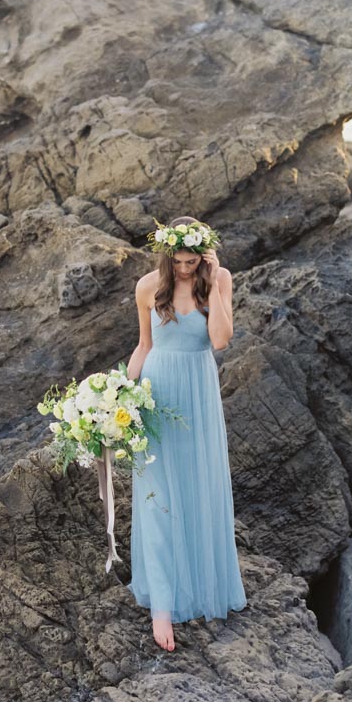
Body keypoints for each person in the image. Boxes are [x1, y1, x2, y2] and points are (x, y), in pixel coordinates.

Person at [125, 215, 248, 652]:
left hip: (197, 396)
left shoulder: (219, 280)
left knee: (198, 491)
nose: (183, 269)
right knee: (156, 496)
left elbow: (220, 340)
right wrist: (120, 398)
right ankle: (161, 603)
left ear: (203, 255)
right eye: (177, 262)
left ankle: (194, 584)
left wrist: (213, 283)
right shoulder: (147, 287)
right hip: (155, 394)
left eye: (192, 261)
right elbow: (144, 346)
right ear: (166, 255)